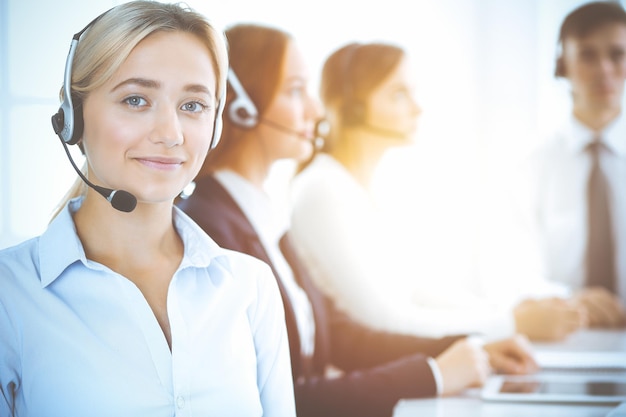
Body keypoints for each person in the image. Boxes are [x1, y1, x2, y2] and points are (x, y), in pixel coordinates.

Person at [177, 23, 538, 417]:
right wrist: (432, 374)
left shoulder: (261, 217)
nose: (316, 110)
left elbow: (341, 337)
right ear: (240, 107)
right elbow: (278, 397)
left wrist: (465, 345)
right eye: (296, 91)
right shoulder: (209, 230)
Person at [0, 3, 295, 416]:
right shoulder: (11, 295)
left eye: (192, 105)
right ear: (73, 117)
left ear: (216, 125)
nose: (171, 134)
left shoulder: (250, 287)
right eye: (136, 99)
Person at [289, 40, 588, 342]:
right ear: (350, 109)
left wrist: (507, 312)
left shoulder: (362, 190)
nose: (417, 108)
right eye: (399, 95)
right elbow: (383, 320)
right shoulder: (323, 191)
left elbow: (418, 290)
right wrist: (512, 324)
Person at [509, 0, 626, 331]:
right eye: (588, 55)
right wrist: (568, 301)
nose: (604, 68)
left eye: (617, 54)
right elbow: (511, 268)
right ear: (563, 65)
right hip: (563, 337)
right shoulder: (530, 164)